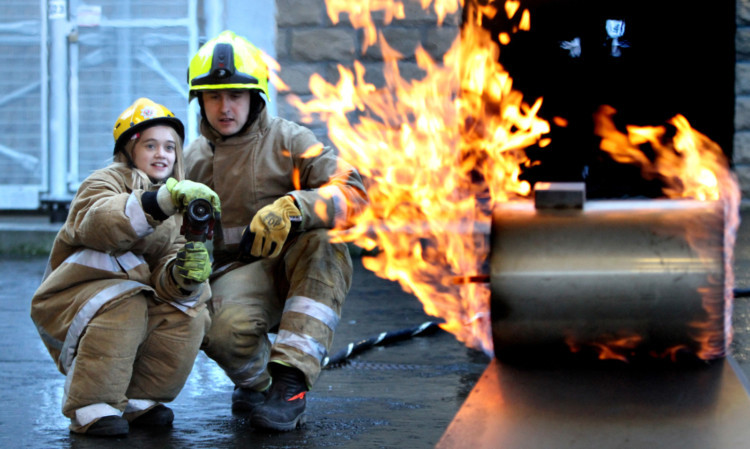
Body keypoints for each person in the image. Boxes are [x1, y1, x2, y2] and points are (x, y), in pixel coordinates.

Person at [184, 30, 369, 431]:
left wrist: (297, 207)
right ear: (200, 100)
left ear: (256, 96)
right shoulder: (193, 160)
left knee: (324, 242)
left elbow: (354, 192)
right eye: (213, 96)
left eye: (235, 94)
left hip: (298, 269)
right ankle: (259, 383)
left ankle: (290, 384)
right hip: (239, 275)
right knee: (218, 331)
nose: (224, 106)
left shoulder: (289, 139)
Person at [30, 98, 222, 437]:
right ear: (128, 150)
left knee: (190, 307)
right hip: (70, 303)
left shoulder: (174, 204)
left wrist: (182, 275)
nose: (162, 154)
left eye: (169, 147)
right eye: (150, 145)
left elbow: (165, 274)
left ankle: (139, 396)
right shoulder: (104, 182)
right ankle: (91, 404)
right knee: (127, 302)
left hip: (120, 303)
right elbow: (100, 223)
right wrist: (157, 203)